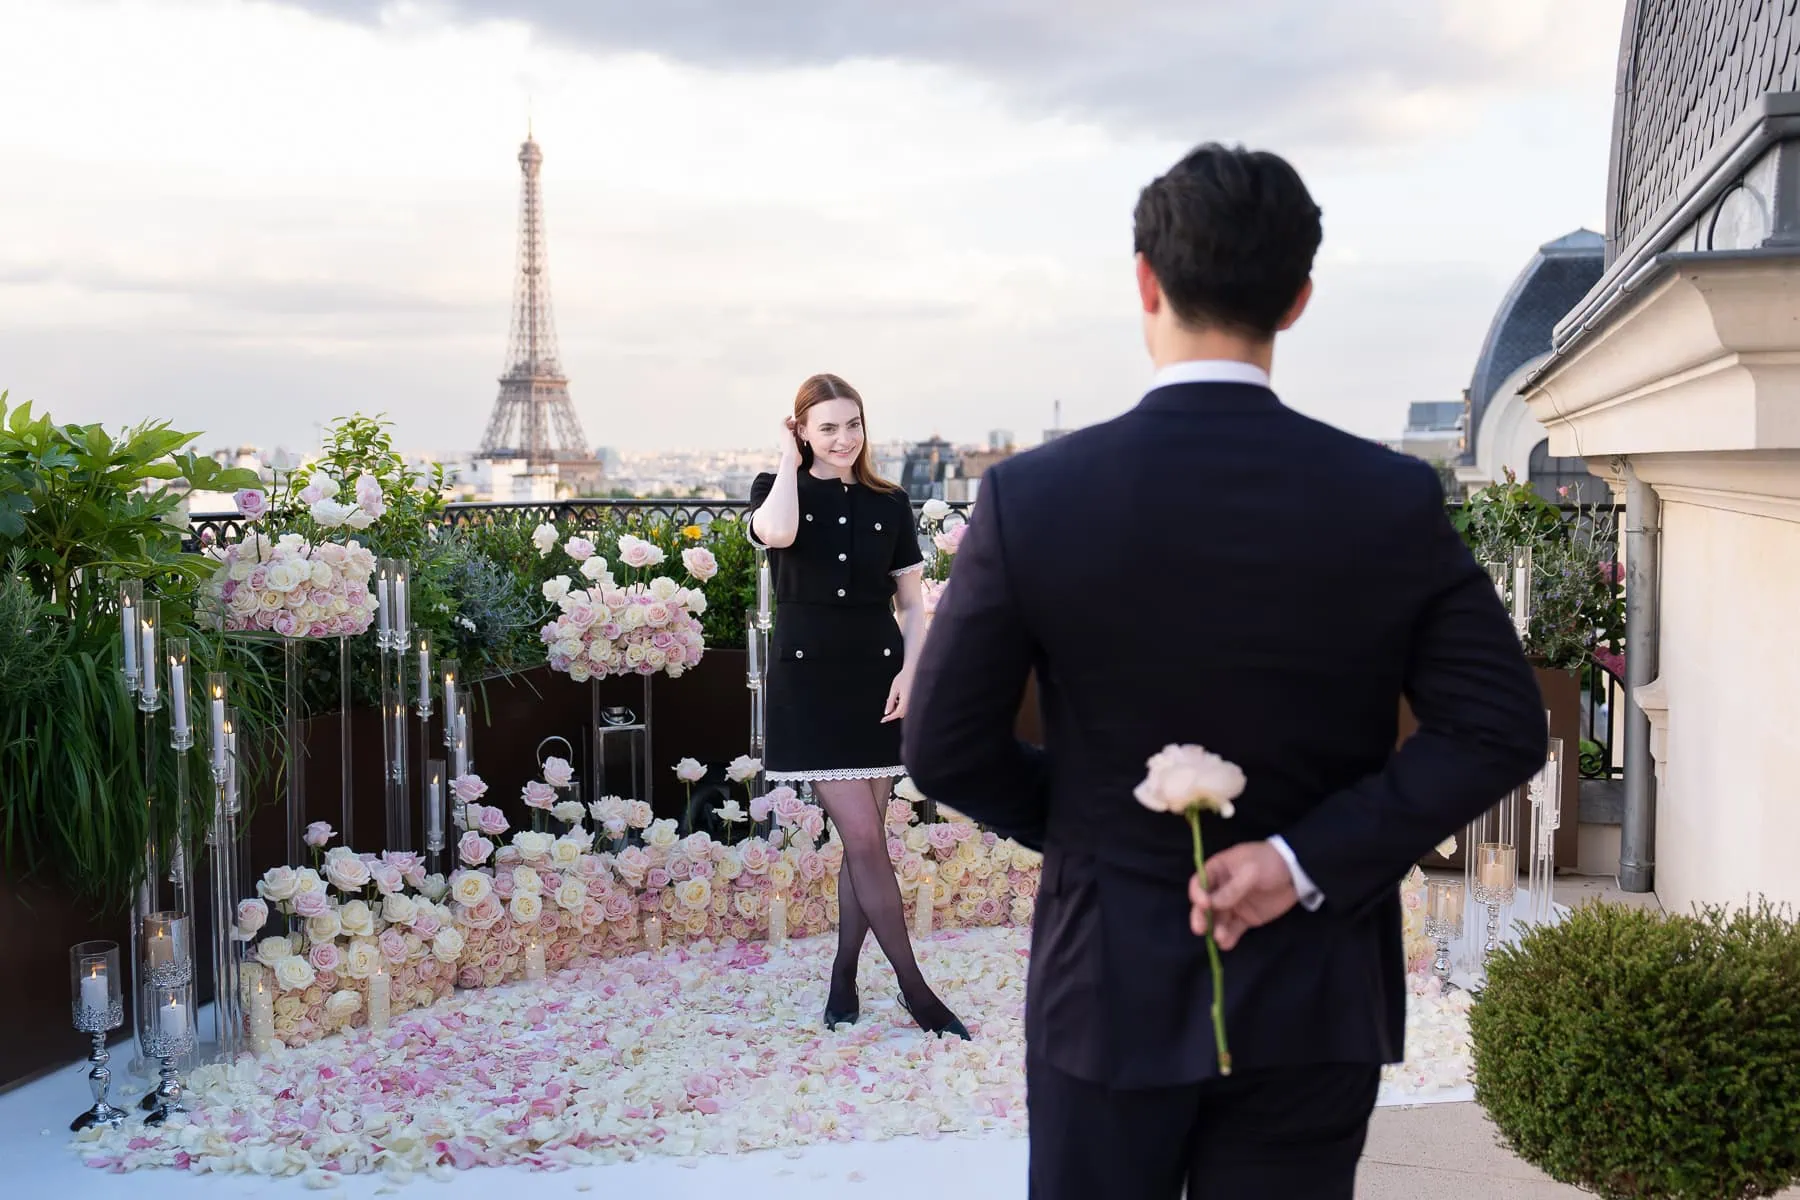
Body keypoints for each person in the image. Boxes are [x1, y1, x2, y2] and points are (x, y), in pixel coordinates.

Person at [902, 144, 1546, 1198]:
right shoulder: (1386, 497)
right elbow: (1499, 727)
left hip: (1106, 976)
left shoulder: (1034, 499)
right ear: (1296, 300)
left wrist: (1103, 831)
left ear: (1145, 284)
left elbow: (943, 747)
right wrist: (1297, 862)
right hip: (1315, 990)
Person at [747, 372, 969, 1040]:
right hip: (811, 683)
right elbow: (778, 536)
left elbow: (911, 602)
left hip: (878, 678)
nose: (843, 440)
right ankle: (914, 988)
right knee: (867, 841)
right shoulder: (775, 490)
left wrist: (912, 671)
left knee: (863, 846)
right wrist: (791, 460)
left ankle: (844, 977)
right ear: (801, 430)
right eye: (826, 428)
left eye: (853, 425)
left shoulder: (891, 501)